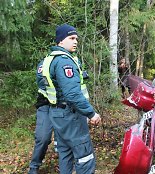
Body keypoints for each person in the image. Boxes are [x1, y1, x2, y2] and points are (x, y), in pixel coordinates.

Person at [42, 24, 101, 174]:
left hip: (56, 114)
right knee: (84, 157)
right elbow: (73, 95)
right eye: (71, 38)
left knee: (65, 153)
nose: (75, 41)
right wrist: (91, 114)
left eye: (76, 38)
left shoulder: (49, 60)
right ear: (61, 41)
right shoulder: (64, 61)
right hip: (71, 116)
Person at [28, 60, 56, 174]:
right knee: (43, 137)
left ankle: (69, 163)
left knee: (66, 137)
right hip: (46, 105)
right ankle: (34, 167)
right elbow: (42, 81)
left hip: (65, 106)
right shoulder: (45, 63)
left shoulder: (71, 60)